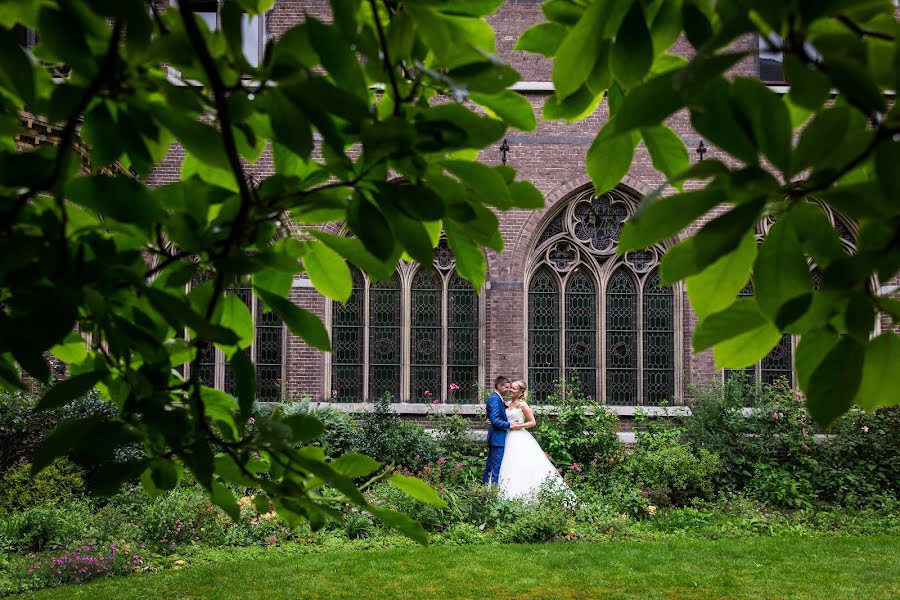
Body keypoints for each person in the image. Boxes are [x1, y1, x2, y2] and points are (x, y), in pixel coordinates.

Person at [497, 380, 567, 500]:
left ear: (520, 392)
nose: (510, 390)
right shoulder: (507, 403)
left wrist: (519, 426)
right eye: (510, 388)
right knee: (510, 464)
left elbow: (533, 422)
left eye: (513, 388)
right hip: (508, 437)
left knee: (521, 464)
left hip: (519, 437)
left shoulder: (523, 404)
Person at [482, 375, 523, 485]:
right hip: (497, 439)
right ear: (499, 386)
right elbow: (495, 420)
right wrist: (510, 424)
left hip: (498, 438)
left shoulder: (499, 399)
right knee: (496, 467)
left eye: (510, 388)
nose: (508, 390)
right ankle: (493, 493)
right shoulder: (495, 399)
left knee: (491, 466)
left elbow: (496, 417)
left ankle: (486, 488)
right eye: (506, 387)